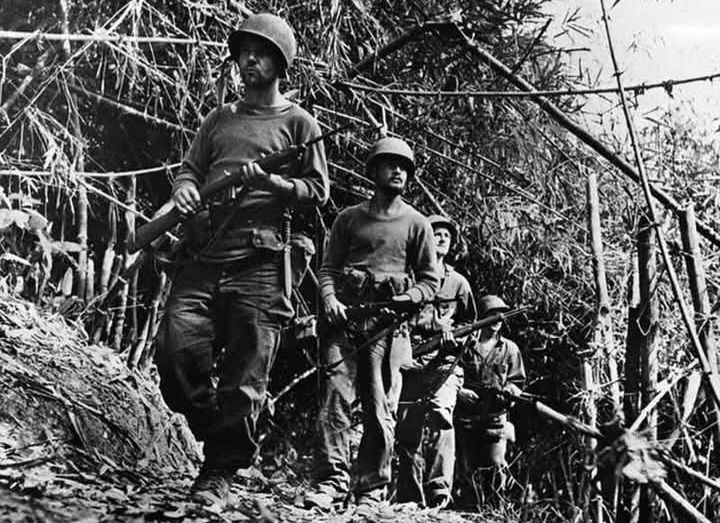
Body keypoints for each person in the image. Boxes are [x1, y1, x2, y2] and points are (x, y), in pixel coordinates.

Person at [154, 13, 328, 507]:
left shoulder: (299, 124)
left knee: (246, 373)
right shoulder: (219, 119)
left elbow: (318, 191)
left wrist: (274, 183)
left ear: (280, 64)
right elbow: (189, 170)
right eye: (244, 53)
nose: (249, 61)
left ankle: (219, 470)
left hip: (262, 261)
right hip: (206, 254)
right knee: (174, 351)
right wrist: (185, 190)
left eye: (261, 54)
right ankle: (219, 432)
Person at [306, 137, 440, 510]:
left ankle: (370, 489)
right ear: (373, 171)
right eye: (390, 164)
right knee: (335, 399)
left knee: (380, 407)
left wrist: (409, 297)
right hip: (346, 322)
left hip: (389, 326)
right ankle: (330, 483)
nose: (398, 171)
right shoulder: (349, 218)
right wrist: (330, 300)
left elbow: (430, 281)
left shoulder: (417, 224)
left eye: (404, 167)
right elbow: (328, 269)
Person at [396, 214, 476, 509]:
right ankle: (409, 496)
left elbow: (470, 325)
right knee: (407, 427)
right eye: (435, 233)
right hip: (407, 361)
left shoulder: (458, 283)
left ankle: (439, 492)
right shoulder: (407, 277)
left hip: (444, 363)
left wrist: (454, 341)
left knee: (441, 417)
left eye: (447, 235)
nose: (441, 238)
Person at [453, 295, 526, 509]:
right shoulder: (465, 345)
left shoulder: (509, 349)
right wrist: (460, 391)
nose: (497, 319)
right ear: (482, 318)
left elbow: (517, 381)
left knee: (496, 468)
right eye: (492, 315)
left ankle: (496, 513)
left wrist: (510, 391)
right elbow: (450, 374)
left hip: (495, 420)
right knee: (467, 472)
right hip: (467, 418)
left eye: (501, 315)